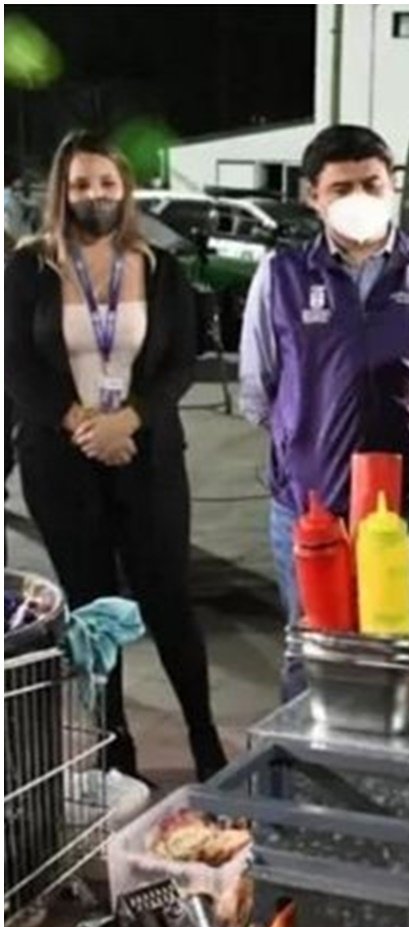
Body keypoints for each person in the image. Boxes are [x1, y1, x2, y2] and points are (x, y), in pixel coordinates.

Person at [5, 130, 229, 780]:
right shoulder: (28, 266)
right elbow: (16, 363)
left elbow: (181, 364)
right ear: (61, 191)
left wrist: (127, 420)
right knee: (93, 606)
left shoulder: (160, 267)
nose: (93, 195)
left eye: (105, 183)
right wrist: (81, 424)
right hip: (60, 458)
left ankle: (204, 734)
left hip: (147, 452)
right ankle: (116, 743)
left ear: (123, 188)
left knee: (168, 600)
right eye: (79, 184)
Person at [239, 124, 409, 696]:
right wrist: (312, 437)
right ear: (312, 196)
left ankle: (403, 780)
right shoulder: (283, 277)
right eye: (341, 188)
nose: (359, 199)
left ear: (392, 186)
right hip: (312, 504)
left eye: (372, 185)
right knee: (313, 654)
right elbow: (258, 389)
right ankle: (299, 778)